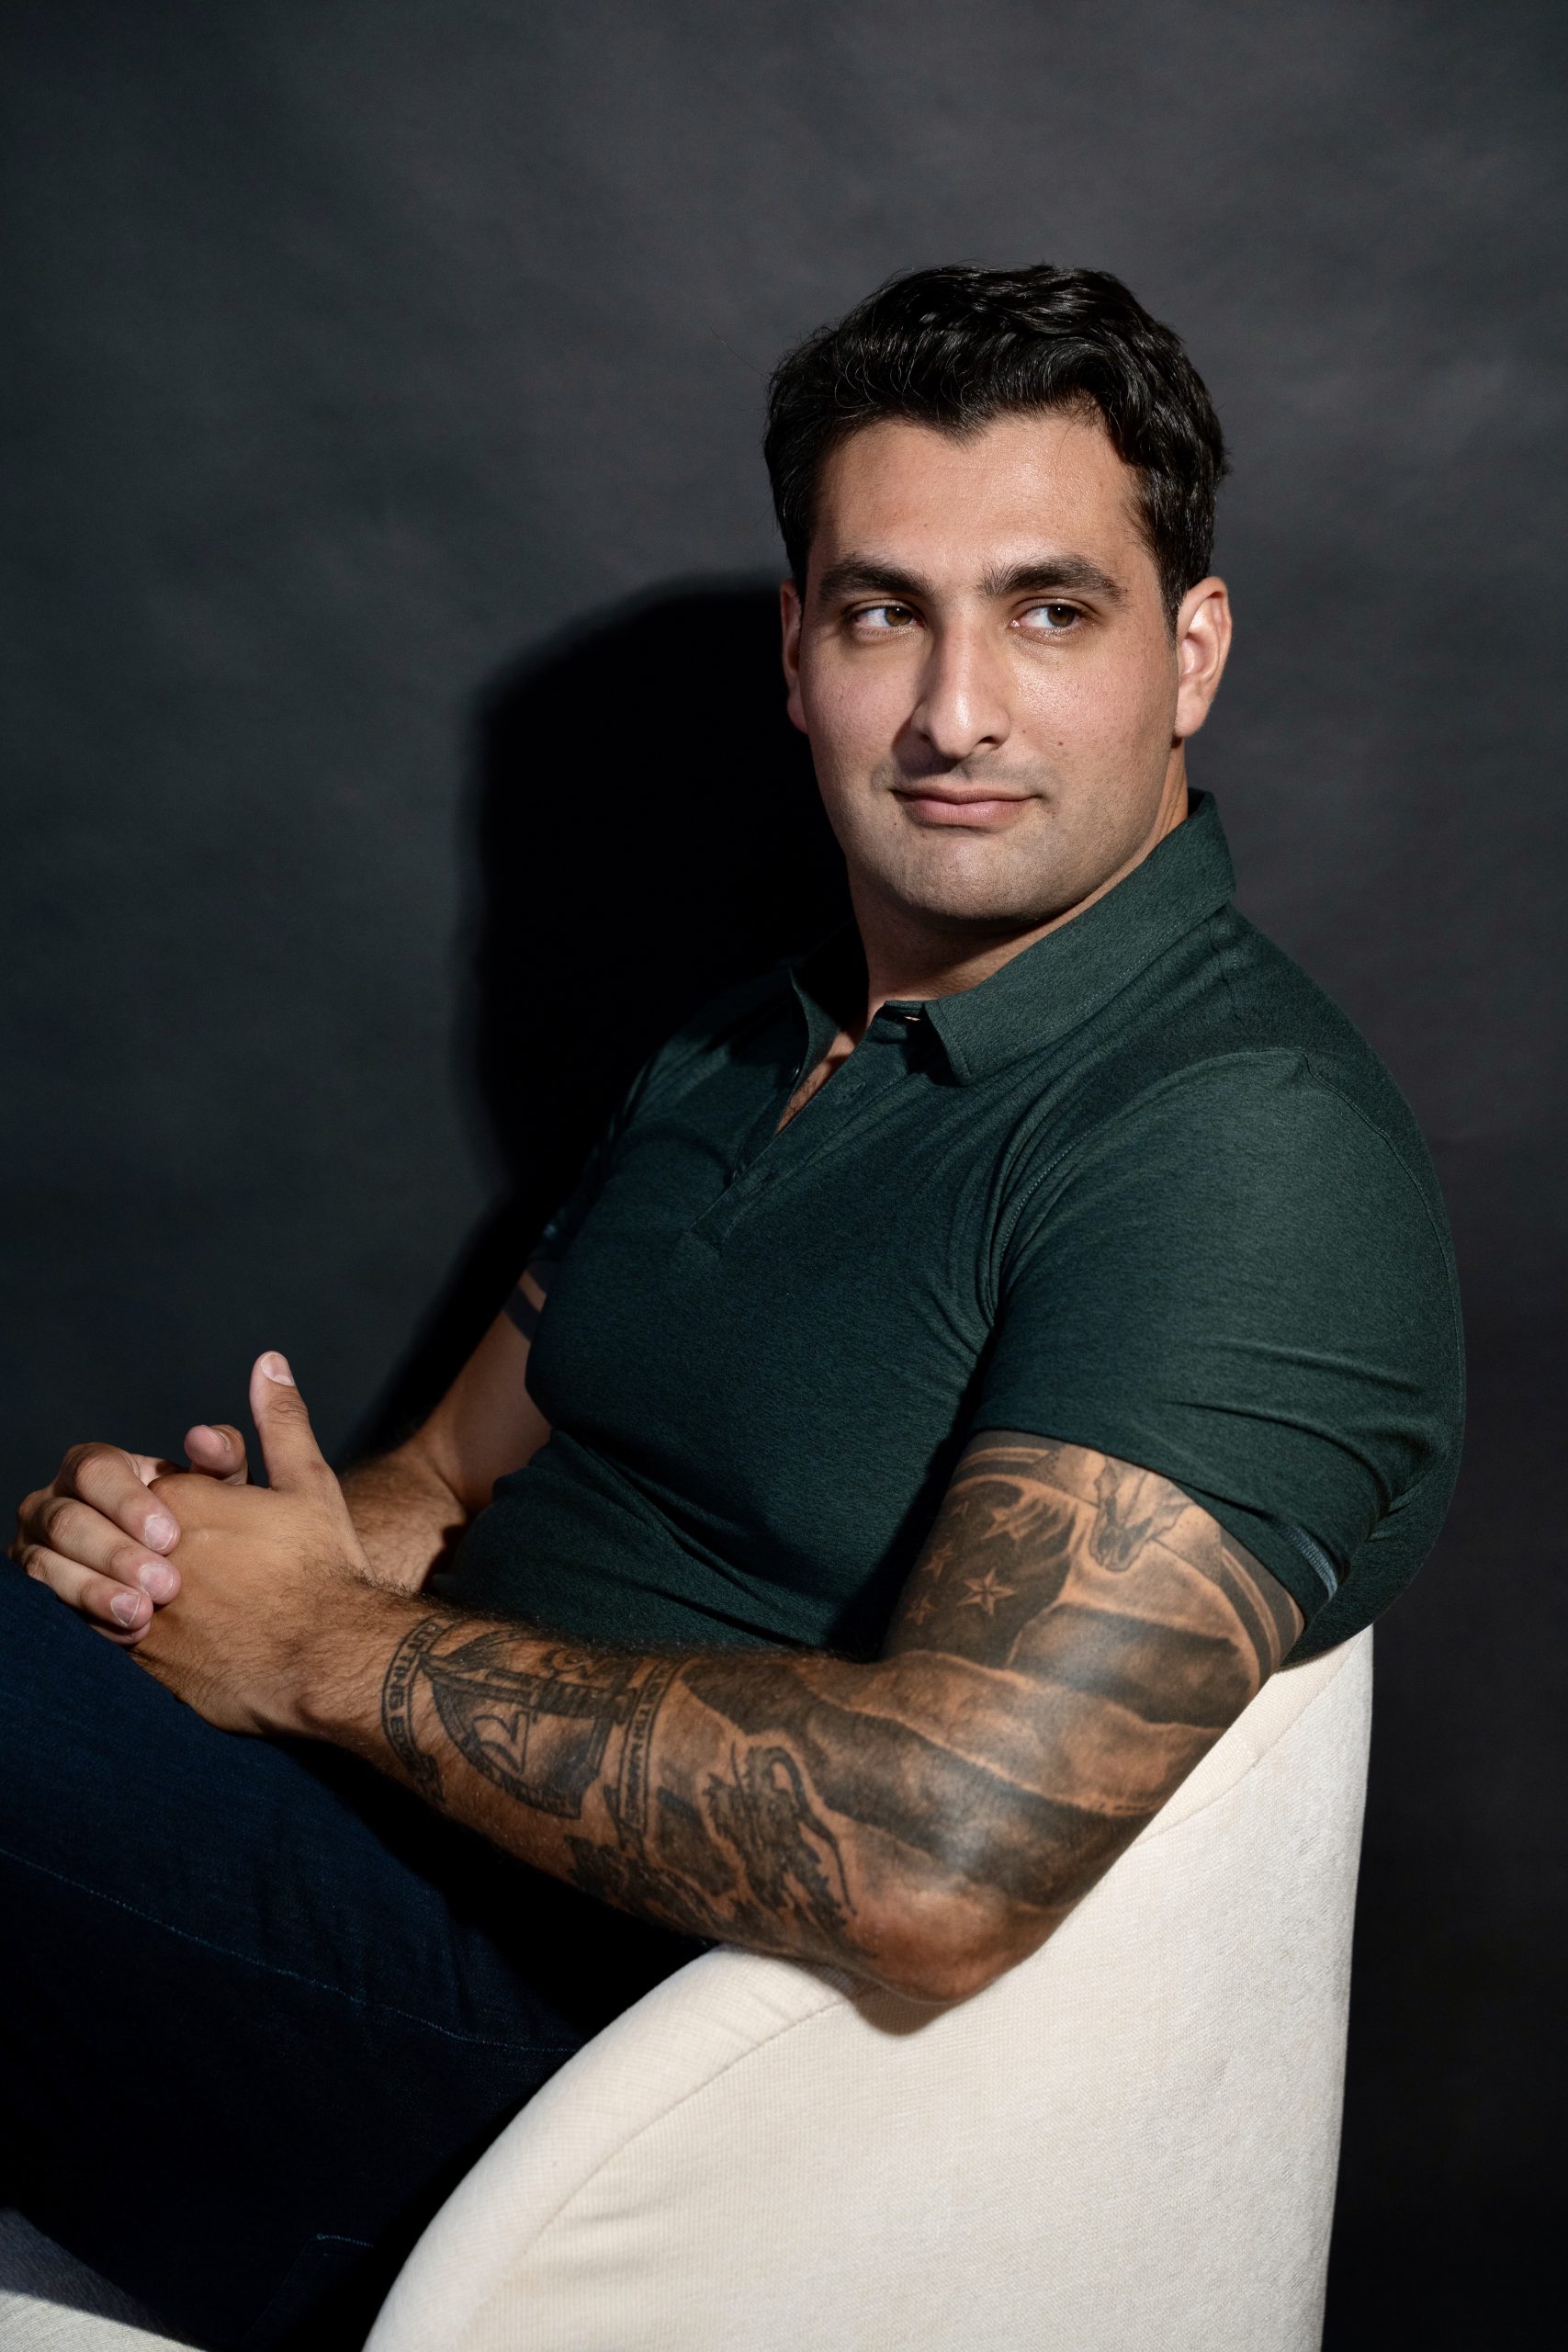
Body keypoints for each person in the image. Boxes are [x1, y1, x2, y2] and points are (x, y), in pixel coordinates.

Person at [6, 265, 1463, 2351]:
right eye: (882, 614)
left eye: (1050, 612)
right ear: (798, 655)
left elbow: (943, 1854)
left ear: (1191, 653)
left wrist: (315, 1649)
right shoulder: (738, 1044)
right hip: (370, 1879)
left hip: (608, 2110)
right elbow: (444, 1482)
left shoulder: (1238, 1143)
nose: (954, 711)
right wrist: (209, 1570)